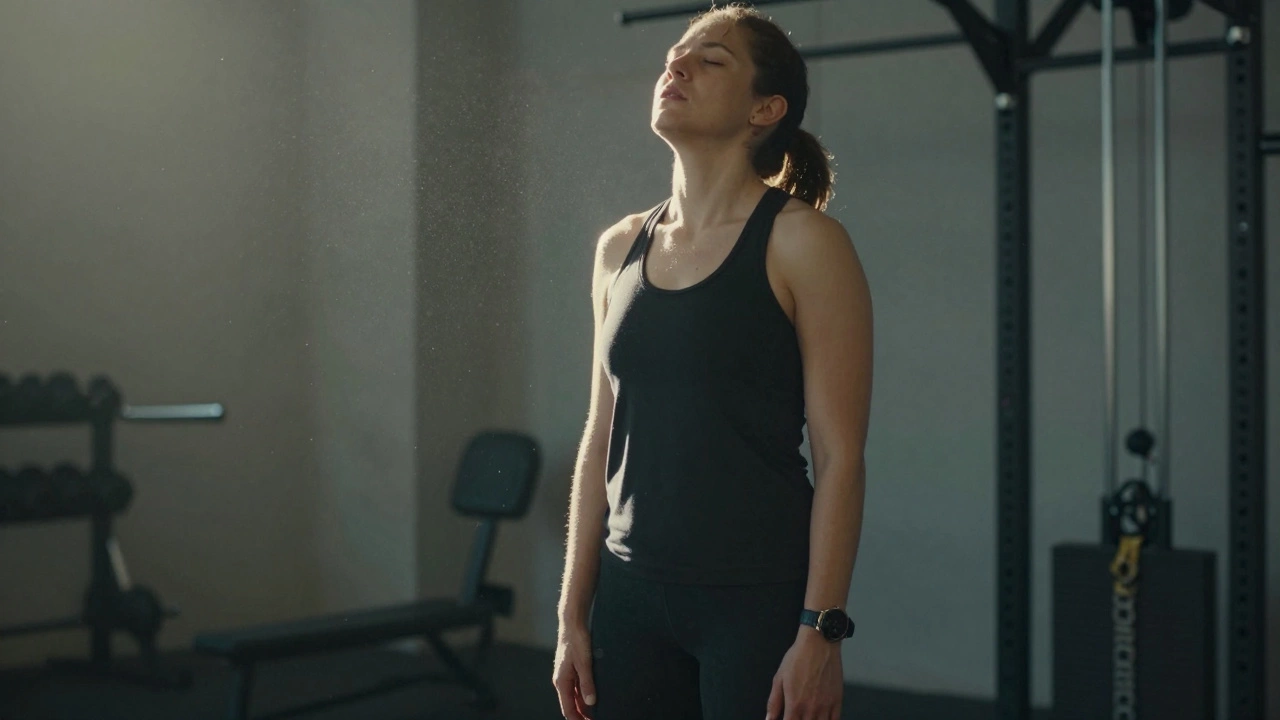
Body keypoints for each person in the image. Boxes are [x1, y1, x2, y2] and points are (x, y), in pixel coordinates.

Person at [553, 4, 873, 719]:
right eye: (675, 54)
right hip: (628, 600)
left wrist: (821, 631)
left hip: (754, 603)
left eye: (711, 60)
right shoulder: (619, 249)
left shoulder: (804, 243)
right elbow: (600, 437)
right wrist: (573, 613)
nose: (677, 65)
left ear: (766, 108)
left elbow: (841, 455)